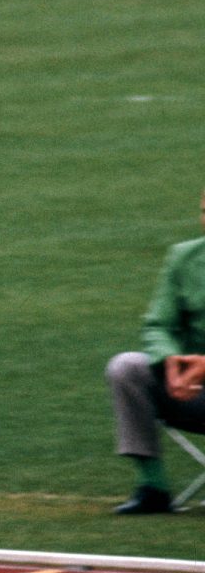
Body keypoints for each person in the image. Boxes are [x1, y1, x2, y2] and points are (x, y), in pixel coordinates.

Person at [105, 189, 205, 515]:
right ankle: (154, 486)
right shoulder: (184, 258)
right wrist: (171, 362)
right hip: (190, 390)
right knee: (127, 368)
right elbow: (158, 324)